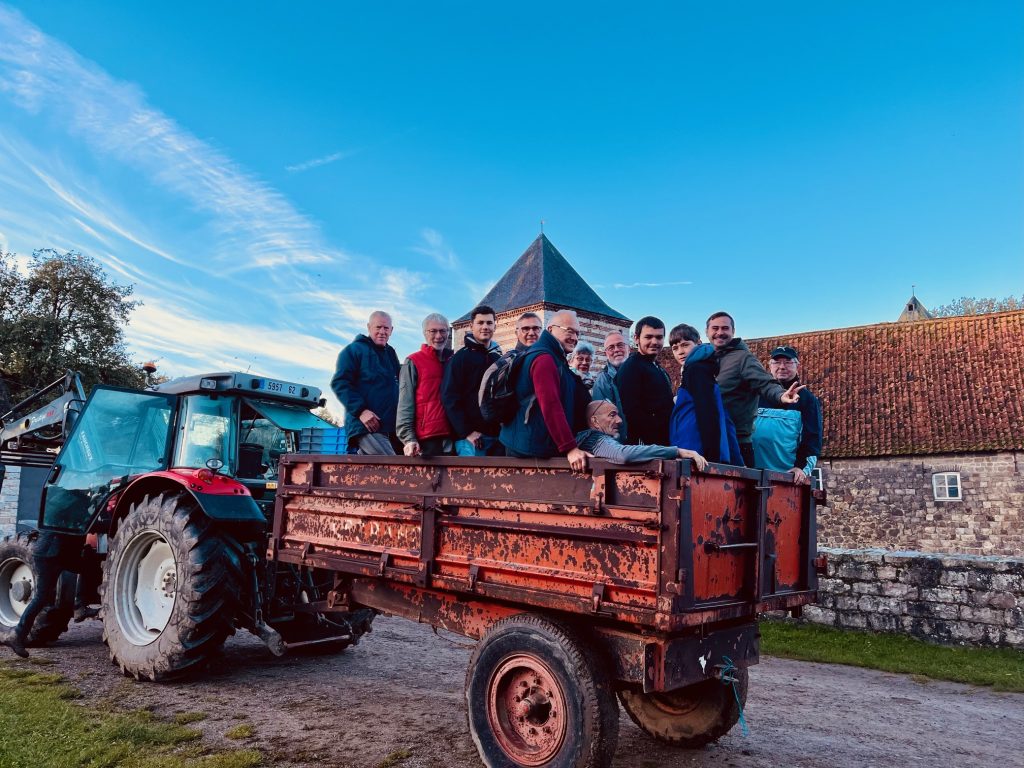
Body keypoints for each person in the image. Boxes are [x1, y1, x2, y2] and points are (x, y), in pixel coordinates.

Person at [706, 311, 803, 468]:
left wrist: (781, 395)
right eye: (715, 328)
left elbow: (765, 383)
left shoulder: (743, 359)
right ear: (707, 332)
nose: (720, 333)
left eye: (725, 328)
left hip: (736, 443)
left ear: (733, 331)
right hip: (711, 439)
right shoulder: (704, 359)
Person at [499, 309, 589, 470]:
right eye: (569, 331)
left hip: (530, 446)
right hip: (528, 452)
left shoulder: (553, 357)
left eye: (577, 333)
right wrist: (569, 447)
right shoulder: (544, 359)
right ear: (550, 329)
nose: (574, 338)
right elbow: (550, 405)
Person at [0, 530, 88, 659]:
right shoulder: (64, 519)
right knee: (42, 597)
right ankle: (17, 635)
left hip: (56, 555)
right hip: (48, 556)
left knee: (88, 566)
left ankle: (80, 605)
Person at [667, 323, 741, 464]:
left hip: (695, 448)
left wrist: (710, 453)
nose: (680, 352)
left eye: (685, 345)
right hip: (694, 446)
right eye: (675, 348)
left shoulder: (696, 370)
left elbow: (707, 411)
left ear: (698, 343)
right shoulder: (700, 368)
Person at [331, 310, 401, 454]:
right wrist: (361, 411)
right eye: (378, 327)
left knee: (376, 471)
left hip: (389, 427)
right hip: (367, 426)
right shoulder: (354, 350)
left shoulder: (391, 354)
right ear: (369, 328)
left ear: (391, 330)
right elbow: (340, 383)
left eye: (386, 328)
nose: (382, 332)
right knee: (394, 469)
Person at [752, 345, 822, 484]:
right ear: (770, 366)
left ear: (798, 366)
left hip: (785, 478)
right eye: (777, 362)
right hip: (750, 474)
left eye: (788, 362)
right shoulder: (755, 395)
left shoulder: (807, 400)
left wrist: (800, 468)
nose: (782, 367)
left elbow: (812, 438)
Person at [442, 305, 504, 456]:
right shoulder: (460, 358)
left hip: (497, 437)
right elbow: (449, 397)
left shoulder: (498, 358)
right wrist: (466, 432)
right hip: (471, 439)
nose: (485, 327)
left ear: (495, 325)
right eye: (480, 322)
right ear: (471, 326)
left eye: (489, 323)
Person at [576, 400, 707, 469]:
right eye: (612, 415)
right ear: (595, 421)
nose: (619, 420)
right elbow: (623, 454)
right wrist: (677, 452)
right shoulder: (593, 438)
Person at [397, 313, 454, 458]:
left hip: (452, 437)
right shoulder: (414, 361)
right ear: (424, 333)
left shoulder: (454, 360)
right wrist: (408, 438)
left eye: (443, 331)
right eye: (433, 331)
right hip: (426, 439)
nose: (438, 336)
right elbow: (405, 402)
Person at [616, 316, 674, 445]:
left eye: (659, 337)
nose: (654, 342)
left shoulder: (658, 367)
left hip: (664, 442)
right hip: (647, 446)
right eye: (648, 337)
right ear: (636, 338)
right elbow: (632, 412)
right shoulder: (631, 368)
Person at [592, 331, 630, 442]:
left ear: (628, 348)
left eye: (620, 345)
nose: (616, 350)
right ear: (606, 354)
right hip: (621, 447)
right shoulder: (603, 381)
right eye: (611, 347)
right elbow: (603, 422)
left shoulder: (640, 373)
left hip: (645, 444)